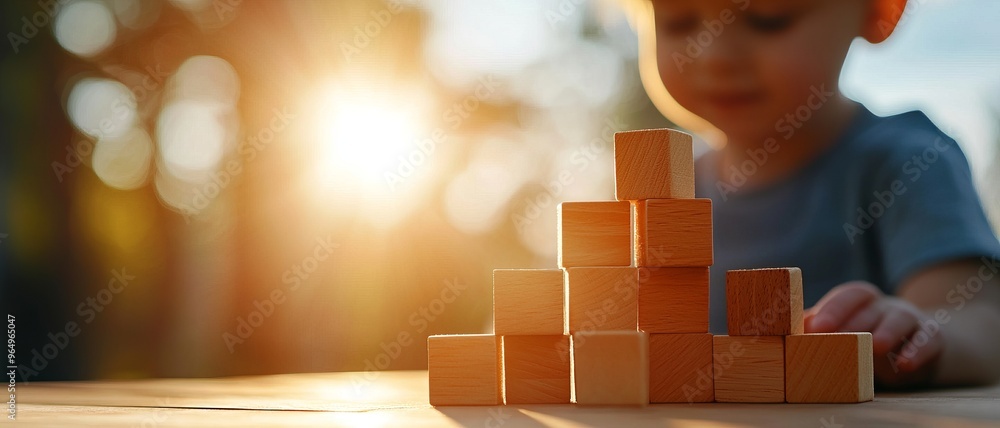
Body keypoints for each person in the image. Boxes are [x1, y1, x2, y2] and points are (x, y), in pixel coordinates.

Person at [648, 0, 1000, 388]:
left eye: (769, 20)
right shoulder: (658, 195)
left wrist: (919, 337)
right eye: (677, 23)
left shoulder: (908, 164)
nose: (714, 56)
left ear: (877, 14)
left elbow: (983, 323)